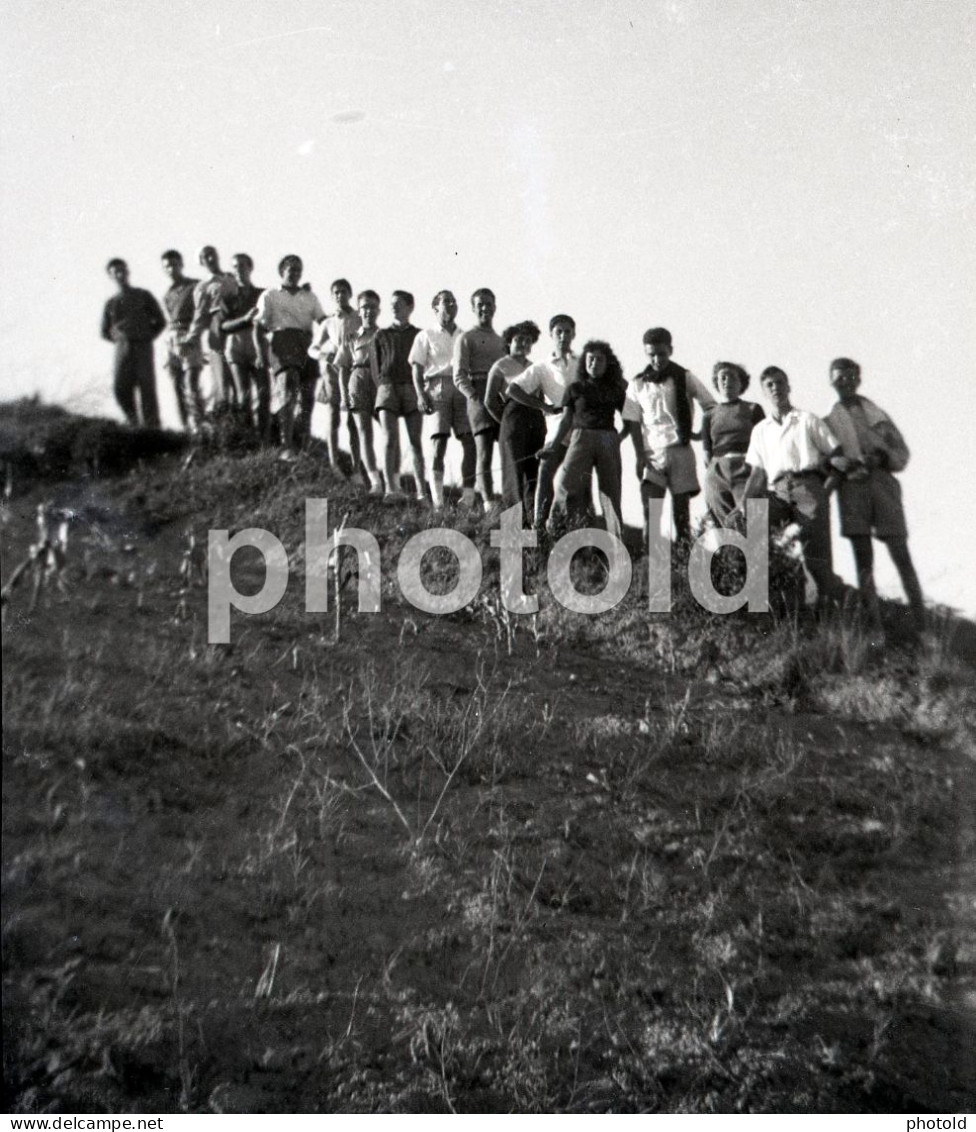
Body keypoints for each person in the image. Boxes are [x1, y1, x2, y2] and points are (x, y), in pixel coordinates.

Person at [732, 366, 850, 609]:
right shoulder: (761, 430)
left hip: (809, 486)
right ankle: (762, 604)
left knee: (817, 560)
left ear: (788, 387)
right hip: (778, 491)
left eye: (779, 383)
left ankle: (841, 607)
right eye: (770, 385)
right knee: (755, 525)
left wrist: (824, 492)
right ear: (764, 392)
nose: (776, 388)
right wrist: (743, 504)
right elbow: (757, 473)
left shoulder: (807, 420)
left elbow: (838, 455)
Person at [824, 357, 925, 630]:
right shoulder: (828, 423)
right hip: (851, 489)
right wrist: (840, 464)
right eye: (838, 377)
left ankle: (922, 625)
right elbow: (825, 460)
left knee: (900, 553)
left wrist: (881, 457)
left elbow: (901, 452)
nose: (844, 382)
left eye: (849, 376)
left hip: (882, 485)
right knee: (863, 559)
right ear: (831, 381)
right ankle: (875, 627)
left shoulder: (876, 415)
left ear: (858, 379)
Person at [623, 327, 715, 546]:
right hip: (652, 452)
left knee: (681, 512)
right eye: (651, 354)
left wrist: (698, 434)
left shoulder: (684, 376)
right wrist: (639, 455)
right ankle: (654, 565)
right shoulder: (638, 383)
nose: (657, 359)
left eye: (661, 354)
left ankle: (682, 562)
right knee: (651, 512)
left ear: (670, 351)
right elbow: (633, 421)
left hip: (679, 449)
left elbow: (710, 406)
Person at [548, 340, 628, 540]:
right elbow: (566, 420)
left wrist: (619, 438)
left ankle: (617, 544)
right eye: (591, 359)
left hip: (607, 438)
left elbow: (630, 419)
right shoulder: (575, 388)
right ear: (584, 362)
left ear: (607, 363)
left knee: (611, 494)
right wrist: (553, 445)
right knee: (565, 486)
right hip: (581, 436)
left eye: (600, 360)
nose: (594, 363)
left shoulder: (616, 389)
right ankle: (554, 533)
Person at [505, 314, 579, 528]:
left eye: (567, 331)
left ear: (573, 334)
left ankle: (574, 527)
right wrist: (543, 407)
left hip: (581, 429)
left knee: (578, 481)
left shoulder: (582, 362)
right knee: (545, 471)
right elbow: (513, 389)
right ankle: (539, 524)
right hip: (556, 427)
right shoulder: (543, 366)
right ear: (551, 335)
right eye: (559, 331)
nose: (563, 336)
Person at [253, 255, 325, 460]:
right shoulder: (271, 294)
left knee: (308, 395)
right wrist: (261, 353)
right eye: (291, 269)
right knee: (287, 387)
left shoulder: (309, 296)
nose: (294, 273)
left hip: (306, 342)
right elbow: (258, 326)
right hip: (282, 340)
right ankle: (286, 445)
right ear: (282, 271)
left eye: (298, 269)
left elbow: (322, 320)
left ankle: (303, 443)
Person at [410, 290, 476, 509]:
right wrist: (421, 394)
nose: (450, 305)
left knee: (469, 440)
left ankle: (467, 496)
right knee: (439, 442)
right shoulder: (426, 335)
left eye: (453, 301)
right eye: (445, 301)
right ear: (435, 307)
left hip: (462, 386)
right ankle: (438, 501)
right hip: (437, 387)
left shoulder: (464, 335)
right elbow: (417, 368)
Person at [453, 288, 506, 510]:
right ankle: (488, 502)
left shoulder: (502, 340)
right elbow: (459, 375)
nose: (485, 308)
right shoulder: (466, 338)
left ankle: (509, 500)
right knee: (483, 452)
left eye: (489, 303)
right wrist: (474, 397)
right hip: (478, 393)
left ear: (495, 306)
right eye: (480, 304)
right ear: (474, 309)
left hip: (500, 396)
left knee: (506, 449)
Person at [485, 321, 542, 525]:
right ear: (509, 341)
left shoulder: (535, 367)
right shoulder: (501, 365)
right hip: (512, 418)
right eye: (518, 339)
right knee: (513, 473)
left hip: (535, 421)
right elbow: (490, 400)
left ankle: (533, 522)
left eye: (528, 341)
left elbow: (541, 395)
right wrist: (506, 423)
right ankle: (514, 526)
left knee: (533, 473)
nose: (523, 344)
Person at [371, 291, 425, 501]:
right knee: (389, 439)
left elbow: (423, 365)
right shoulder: (381, 335)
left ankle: (421, 491)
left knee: (415, 441)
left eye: (400, 304)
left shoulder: (419, 335)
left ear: (410, 306)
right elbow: (376, 368)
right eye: (392, 304)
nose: (395, 307)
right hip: (388, 388)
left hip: (412, 389)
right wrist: (383, 388)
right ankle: (391, 489)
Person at [100, 258, 165, 428]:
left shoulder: (143, 295)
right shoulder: (111, 303)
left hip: (143, 346)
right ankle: (133, 422)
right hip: (122, 349)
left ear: (128, 271)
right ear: (111, 276)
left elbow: (160, 320)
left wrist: (147, 335)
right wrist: (120, 337)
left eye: (122, 270)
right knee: (120, 387)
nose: (120, 274)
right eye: (116, 272)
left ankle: (152, 428)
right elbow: (105, 331)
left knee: (146, 388)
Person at [701, 362, 765, 527]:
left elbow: (764, 446)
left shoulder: (753, 409)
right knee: (724, 526)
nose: (726, 381)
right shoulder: (709, 415)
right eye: (722, 377)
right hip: (718, 470)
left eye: (732, 377)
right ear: (716, 382)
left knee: (753, 524)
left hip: (746, 468)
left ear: (741, 383)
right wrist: (713, 472)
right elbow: (706, 453)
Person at [333, 290, 384, 494]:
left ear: (378, 310)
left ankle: (392, 479)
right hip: (358, 379)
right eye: (364, 307)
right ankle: (375, 481)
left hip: (380, 383)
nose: (368, 311)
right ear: (359, 310)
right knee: (364, 432)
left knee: (390, 432)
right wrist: (344, 397)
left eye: (372, 307)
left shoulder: (385, 335)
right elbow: (343, 368)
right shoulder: (352, 337)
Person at [310, 278, 362, 474]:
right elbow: (313, 348)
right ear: (332, 296)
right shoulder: (329, 322)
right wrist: (323, 354)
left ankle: (357, 467)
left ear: (350, 294)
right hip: (333, 371)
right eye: (336, 293)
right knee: (333, 417)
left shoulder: (359, 318)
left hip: (355, 370)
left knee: (354, 419)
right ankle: (334, 464)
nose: (340, 296)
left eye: (343, 291)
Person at [184, 245, 238, 415]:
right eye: (205, 256)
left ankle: (242, 419)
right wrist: (192, 337)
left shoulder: (231, 278)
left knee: (240, 378)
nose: (210, 258)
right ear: (201, 261)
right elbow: (200, 315)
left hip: (239, 326)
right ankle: (223, 419)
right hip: (218, 328)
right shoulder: (202, 286)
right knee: (221, 378)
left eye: (212, 254)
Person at [219, 253, 266, 435]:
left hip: (258, 346)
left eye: (241, 266)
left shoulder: (261, 294)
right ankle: (247, 440)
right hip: (236, 345)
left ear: (250, 267)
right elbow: (223, 325)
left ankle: (265, 441)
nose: (238, 270)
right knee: (243, 396)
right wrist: (245, 319)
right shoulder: (228, 297)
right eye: (235, 266)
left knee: (264, 394)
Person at [160, 250, 204, 431]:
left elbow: (202, 311)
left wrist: (194, 335)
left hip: (188, 332)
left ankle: (199, 423)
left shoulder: (194, 285)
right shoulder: (168, 294)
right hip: (171, 335)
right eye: (167, 266)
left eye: (174, 264)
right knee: (176, 383)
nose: (171, 269)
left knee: (191, 381)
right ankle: (185, 426)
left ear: (181, 264)